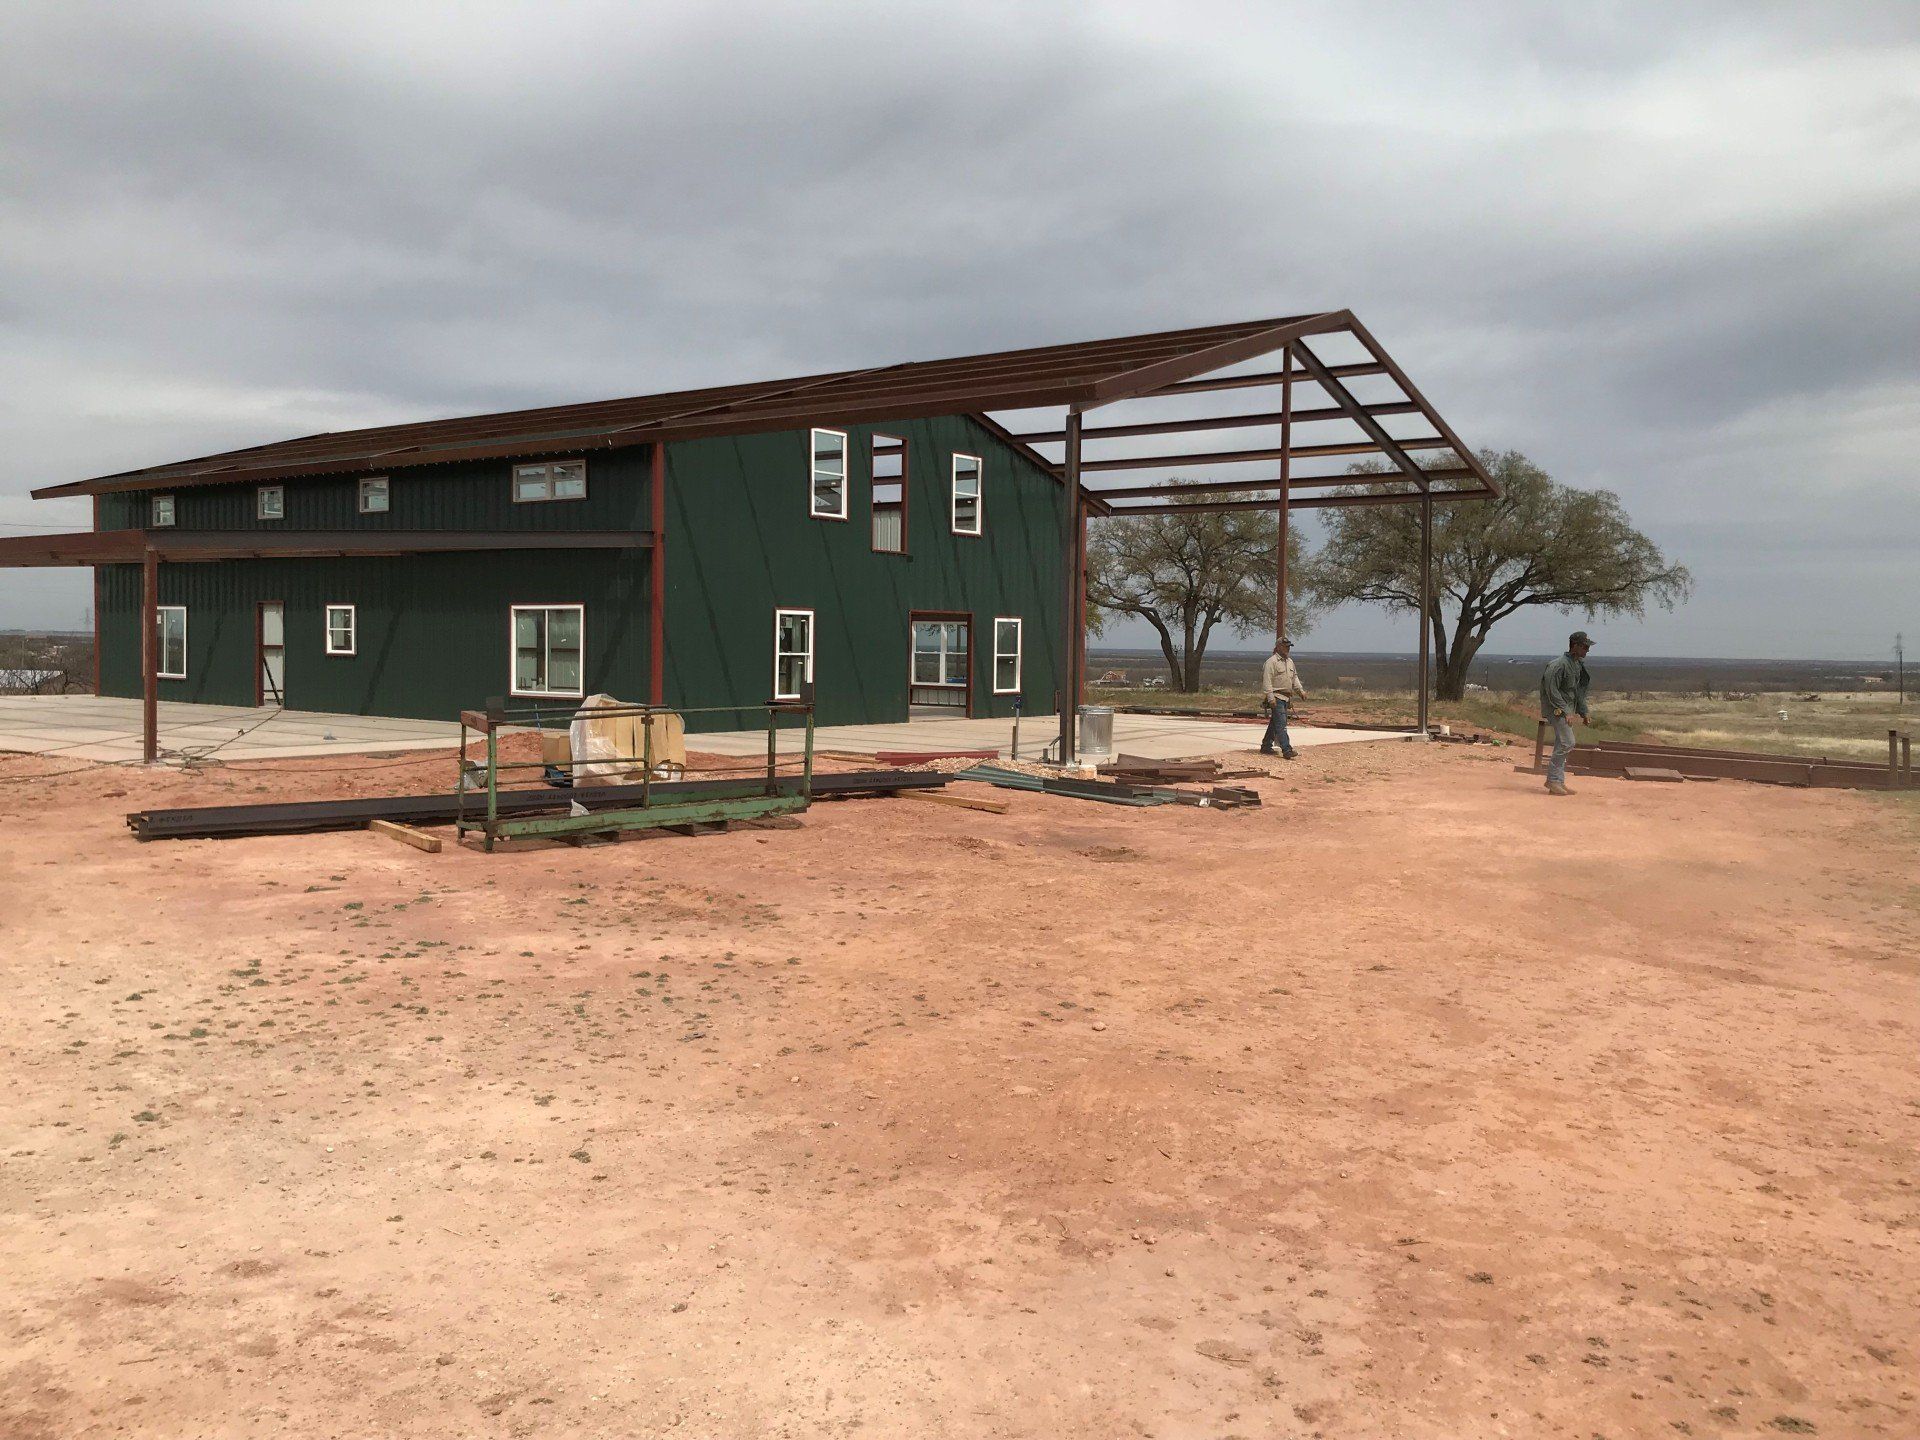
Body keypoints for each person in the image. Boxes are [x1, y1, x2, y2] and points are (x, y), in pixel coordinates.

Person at [1540, 630, 1594, 796]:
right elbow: (1551, 690)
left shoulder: (1577, 665)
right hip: (1556, 709)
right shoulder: (1558, 665)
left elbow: (1577, 692)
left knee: (1562, 744)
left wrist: (1583, 712)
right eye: (1585, 646)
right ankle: (1553, 780)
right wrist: (1564, 711)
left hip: (1567, 710)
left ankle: (1558, 782)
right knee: (1567, 743)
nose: (1587, 650)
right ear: (1575, 646)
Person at [1260, 637, 1306, 758]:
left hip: (1286, 697)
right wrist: (1270, 698)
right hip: (1276, 696)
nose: (1288, 649)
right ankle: (1286, 749)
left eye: (1289, 647)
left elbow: (1294, 678)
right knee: (1281, 724)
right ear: (1279, 647)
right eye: (1286, 646)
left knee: (1275, 723)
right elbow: (1267, 681)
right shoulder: (1271, 662)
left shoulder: (1290, 662)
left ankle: (1266, 746)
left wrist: (1300, 691)